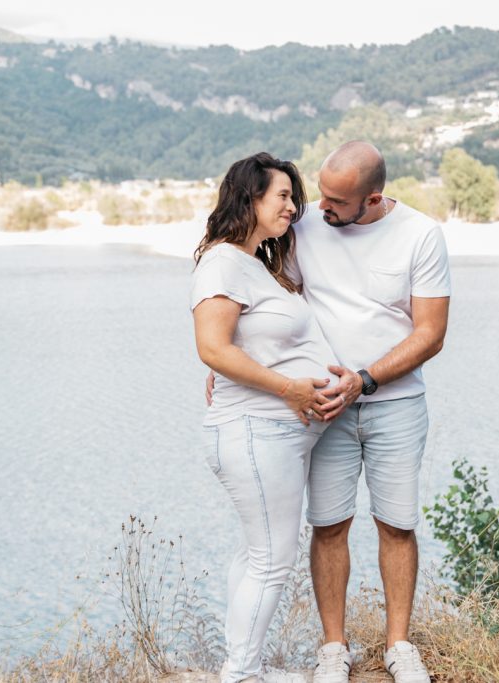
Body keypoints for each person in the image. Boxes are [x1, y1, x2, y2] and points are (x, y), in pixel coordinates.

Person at [209, 141, 451, 682]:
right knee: (328, 524)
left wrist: (363, 380)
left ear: (374, 199)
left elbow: (431, 332)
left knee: (397, 524)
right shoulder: (309, 224)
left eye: (337, 201)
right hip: (321, 409)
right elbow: (273, 295)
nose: (319, 208)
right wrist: (228, 353)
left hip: (395, 404)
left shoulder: (420, 234)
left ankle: (399, 646)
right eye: (317, 194)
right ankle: (333, 649)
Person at [191, 152, 338, 683]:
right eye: (282, 195)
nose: (293, 206)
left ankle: (242, 666)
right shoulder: (223, 261)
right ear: (248, 197)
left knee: (256, 554)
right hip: (257, 430)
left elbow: (240, 346)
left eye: (295, 197)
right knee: (273, 561)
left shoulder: (256, 264)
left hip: (271, 432)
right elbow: (212, 347)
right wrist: (289, 388)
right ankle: (242, 674)